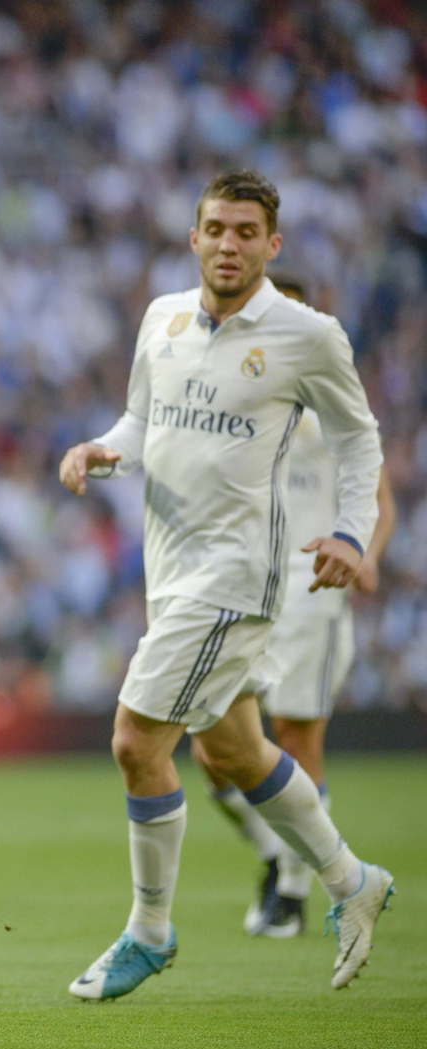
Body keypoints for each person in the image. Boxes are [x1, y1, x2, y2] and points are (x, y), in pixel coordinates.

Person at [58, 170, 393, 1001]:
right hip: (168, 568)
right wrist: (102, 447)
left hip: (236, 573)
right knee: (233, 749)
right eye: (216, 228)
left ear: (272, 245)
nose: (230, 244)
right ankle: (354, 880)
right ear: (195, 236)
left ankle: (150, 929)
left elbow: (359, 442)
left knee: (137, 742)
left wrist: (352, 533)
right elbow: (144, 421)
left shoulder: (308, 335)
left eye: (247, 232)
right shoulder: (161, 317)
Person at [191, 278, 398, 938]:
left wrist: (365, 550)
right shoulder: (224, 401)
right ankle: (284, 853)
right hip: (236, 589)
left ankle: (288, 889)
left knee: (295, 736)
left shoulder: (330, 399)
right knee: (210, 745)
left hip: (311, 595)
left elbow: (379, 496)